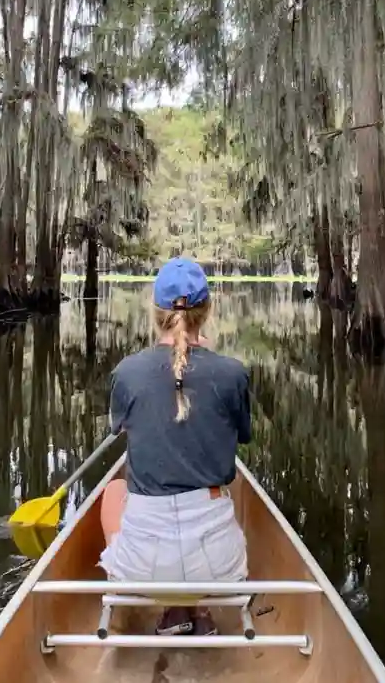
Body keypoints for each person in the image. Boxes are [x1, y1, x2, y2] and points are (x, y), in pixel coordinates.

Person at [99, 257, 252, 637]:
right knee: (227, 491)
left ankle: (158, 605)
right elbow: (242, 435)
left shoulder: (127, 372)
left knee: (115, 490)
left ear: (155, 312)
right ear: (207, 312)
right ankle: (194, 608)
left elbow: (123, 428)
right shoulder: (232, 373)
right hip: (219, 570)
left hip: (143, 570)